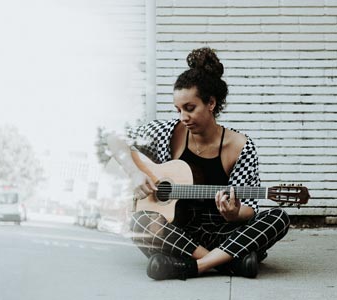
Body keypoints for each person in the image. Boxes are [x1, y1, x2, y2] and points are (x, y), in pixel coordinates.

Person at [119, 47, 290, 280]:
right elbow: (115, 139)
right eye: (178, 110)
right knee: (139, 221)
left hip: (224, 232)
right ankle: (229, 263)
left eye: (190, 108)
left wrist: (234, 214)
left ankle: (192, 266)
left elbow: (249, 208)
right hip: (181, 230)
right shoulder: (167, 132)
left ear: (211, 103)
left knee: (278, 217)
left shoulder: (239, 145)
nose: (183, 117)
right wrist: (135, 174)